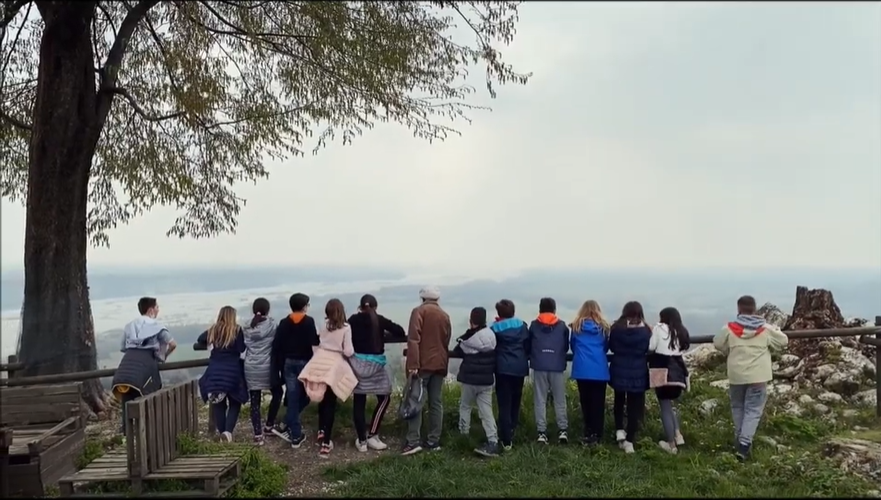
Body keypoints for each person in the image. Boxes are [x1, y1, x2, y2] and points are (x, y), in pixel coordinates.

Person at [713, 295, 788, 461]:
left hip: (736, 375)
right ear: (755, 309)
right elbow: (783, 341)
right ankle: (744, 444)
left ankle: (740, 440)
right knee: (753, 410)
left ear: (739, 309)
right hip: (758, 376)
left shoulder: (729, 328)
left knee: (738, 407)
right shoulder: (766, 329)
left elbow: (718, 343)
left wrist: (729, 348)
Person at [347, 294, 406, 452]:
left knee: (359, 401)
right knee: (385, 397)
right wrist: (383, 335)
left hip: (357, 364)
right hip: (376, 366)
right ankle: (373, 434)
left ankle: (362, 441)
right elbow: (400, 331)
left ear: (360, 307)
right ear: (375, 306)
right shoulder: (379, 320)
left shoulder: (352, 320)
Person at [298, 298, 356, 458]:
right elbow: (349, 350)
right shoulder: (346, 328)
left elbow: (318, 342)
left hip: (318, 361)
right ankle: (326, 443)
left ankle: (321, 430)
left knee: (322, 399)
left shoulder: (323, 325)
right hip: (334, 364)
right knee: (330, 402)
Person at [112, 297, 177, 435]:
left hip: (127, 362)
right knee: (148, 394)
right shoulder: (157, 326)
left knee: (127, 395)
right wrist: (162, 356)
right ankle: (149, 430)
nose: (158, 309)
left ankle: (127, 432)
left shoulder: (130, 326)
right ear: (151, 309)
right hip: (147, 362)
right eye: (157, 307)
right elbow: (172, 344)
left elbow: (123, 347)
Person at [402, 286, 452, 456]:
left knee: (416, 400)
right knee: (436, 402)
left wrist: (413, 364)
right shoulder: (444, 316)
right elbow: (446, 340)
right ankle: (433, 440)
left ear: (423, 298)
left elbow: (414, 340)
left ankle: (413, 440)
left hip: (423, 364)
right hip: (440, 363)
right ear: (437, 299)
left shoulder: (418, 312)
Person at [270, 293, 318, 448]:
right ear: (304, 306)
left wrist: (277, 367)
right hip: (305, 363)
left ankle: (288, 424)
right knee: (306, 396)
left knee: (293, 396)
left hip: (288, 363)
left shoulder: (284, 322)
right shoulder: (309, 321)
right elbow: (314, 342)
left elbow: (277, 345)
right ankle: (295, 434)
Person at [453, 306, 500, 457]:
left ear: (471, 321)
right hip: (486, 380)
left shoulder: (467, 341)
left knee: (465, 406)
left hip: (469, 380)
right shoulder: (492, 337)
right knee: (486, 411)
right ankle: (493, 441)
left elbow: (457, 349)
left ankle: (463, 435)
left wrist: (466, 334)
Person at [198, 306, 248, 442]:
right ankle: (227, 432)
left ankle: (222, 433)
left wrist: (210, 343)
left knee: (218, 403)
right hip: (232, 371)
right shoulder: (236, 330)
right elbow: (241, 349)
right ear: (232, 316)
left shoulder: (213, 330)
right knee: (235, 402)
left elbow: (200, 338)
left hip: (214, 371)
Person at [608, 301, 651, 454]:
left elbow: (611, 347)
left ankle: (619, 429)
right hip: (638, 371)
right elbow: (648, 348)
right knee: (635, 406)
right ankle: (630, 439)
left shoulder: (616, 328)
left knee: (619, 400)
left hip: (619, 368)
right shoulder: (646, 331)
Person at [528, 297, 570, 445]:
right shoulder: (562, 326)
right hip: (557, 365)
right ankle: (563, 430)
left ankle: (541, 433)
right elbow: (565, 347)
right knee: (560, 399)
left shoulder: (534, 326)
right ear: (554, 309)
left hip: (539, 365)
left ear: (540, 308)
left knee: (540, 399)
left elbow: (529, 345)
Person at [649, 307, 690, 454]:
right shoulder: (682, 330)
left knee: (665, 408)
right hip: (678, 372)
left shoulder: (659, 328)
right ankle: (678, 434)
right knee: (673, 406)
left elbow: (651, 346)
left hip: (662, 370)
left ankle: (671, 445)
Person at [569, 300, 611, 446]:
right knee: (598, 404)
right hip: (599, 369)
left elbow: (573, 346)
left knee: (585, 402)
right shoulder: (604, 328)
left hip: (582, 368)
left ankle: (587, 431)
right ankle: (597, 435)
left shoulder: (576, 327)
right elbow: (606, 347)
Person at [491, 299, 530, 451]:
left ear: (499, 313)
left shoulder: (494, 329)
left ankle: (506, 439)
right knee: (516, 400)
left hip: (502, 369)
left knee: (504, 404)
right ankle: (512, 429)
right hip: (520, 367)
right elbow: (527, 346)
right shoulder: (522, 326)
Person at [242, 297, 282, 446]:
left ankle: (258, 434)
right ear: (268, 309)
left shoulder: (246, 326)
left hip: (251, 367)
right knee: (277, 393)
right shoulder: (272, 325)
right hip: (267, 367)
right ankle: (269, 425)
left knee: (255, 401)